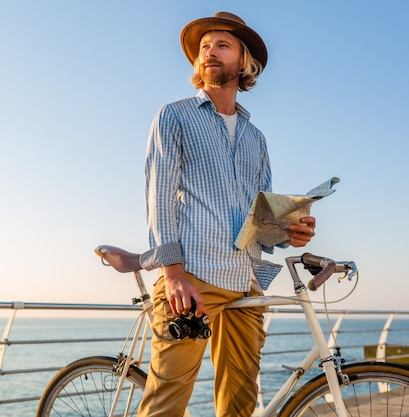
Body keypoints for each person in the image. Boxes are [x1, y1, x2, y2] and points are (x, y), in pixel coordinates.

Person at [138, 11, 317, 417]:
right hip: (193, 279)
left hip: (247, 283)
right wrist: (173, 274)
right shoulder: (175, 116)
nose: (210, 52)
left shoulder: (257, 138)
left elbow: (259, 220)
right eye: (204, 47)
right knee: (165, 405)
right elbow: (158, 197)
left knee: (240, 404)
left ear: (244, 62)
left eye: (222, 45)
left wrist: (291, 231)